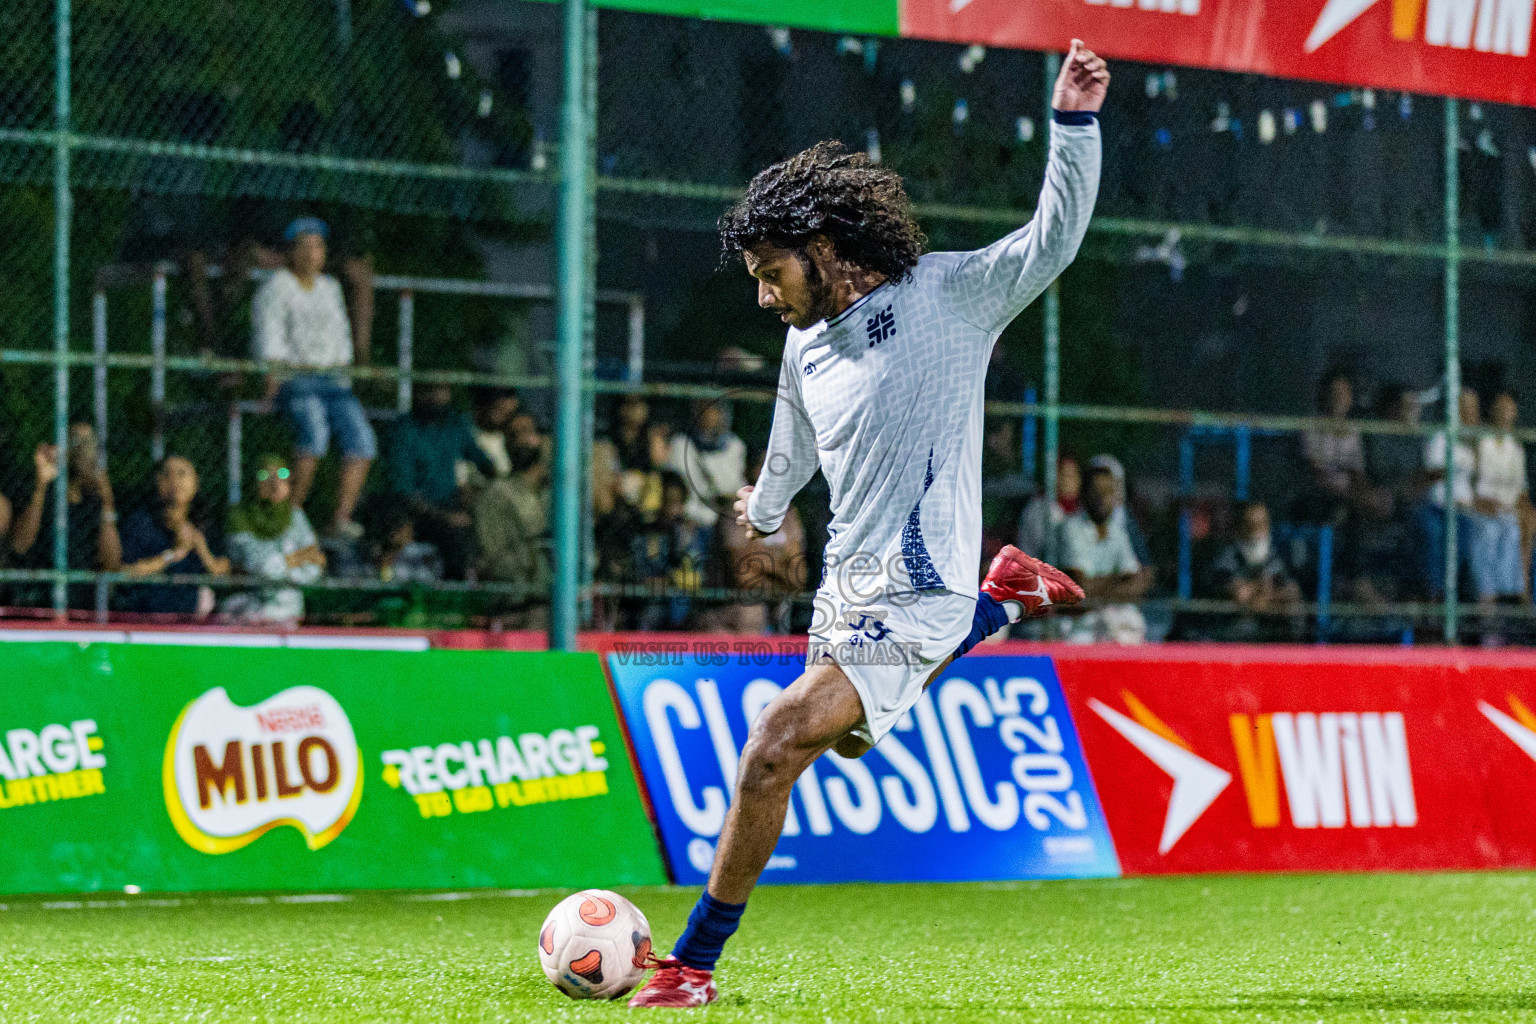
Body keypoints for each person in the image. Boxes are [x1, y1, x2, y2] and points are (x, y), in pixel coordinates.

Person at [626, 40, 1106, 1008]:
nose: (764, 297)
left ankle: (691, 963)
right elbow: (795, 438)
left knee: (774, 742)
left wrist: (1073, 126)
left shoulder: (952, 296)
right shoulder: (806, 345)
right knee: (834, 744)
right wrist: (764, 507)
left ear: (823, 248)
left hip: (919, 588)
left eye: (771, 273)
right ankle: (1003, 598)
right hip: (846, 588)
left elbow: (1052, 239)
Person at [252, 217, 376, 539]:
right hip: (295, 380)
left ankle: (340, 520)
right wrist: (272, 380)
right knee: (315, 433)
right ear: (290, 251)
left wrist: (345, 373)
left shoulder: (329, 288)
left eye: (318, 246)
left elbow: (341, 337)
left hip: (333, 382)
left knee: (362, 440)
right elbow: (270, 337)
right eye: (304, 247)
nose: (311, 254)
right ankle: (290, 515)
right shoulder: (276, 286)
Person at [386, 383, 498, 580]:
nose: (437, 397)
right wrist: (445, 517)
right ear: (418, 393)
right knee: (456, 535)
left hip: (451, 504)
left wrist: (495, 485)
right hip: (420, 512)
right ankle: (454, 587)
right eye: (430, 390)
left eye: (443, 390)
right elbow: (404, 494)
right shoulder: (404, 430)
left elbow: (482, 461)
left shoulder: (455, 424)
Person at [9, 423, 122, 608]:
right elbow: (20, 545)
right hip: (38, 599)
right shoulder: (44, 492)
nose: (83, 450)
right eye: (76, 441)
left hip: (83, 602)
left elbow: (112, 564)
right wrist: (40, 485)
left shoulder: (94, 502)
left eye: (90, 444)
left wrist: (107, 500)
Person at [118, 455, 229, 617]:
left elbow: (222, 572)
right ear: (157, 482)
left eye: (182, 473)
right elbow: (126, 571)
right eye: (166, 475)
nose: (174, 481)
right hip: (146, 613)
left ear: (196, 482)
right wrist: (173, 554)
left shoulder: (206, 523)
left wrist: (201, 548)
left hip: (193, 616)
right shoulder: (140, 523)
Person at [1056, 463, 1153, 644]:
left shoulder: (1118, 531)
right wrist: (1118, 582)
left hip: (1114, 620)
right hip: (1077, 626)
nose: (1102, 498)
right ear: (1084, 494)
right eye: (1096, 491)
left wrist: (1096, 588)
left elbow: (1136, 586)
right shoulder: (1071, 528)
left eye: (1108, 491)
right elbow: (1080, 589)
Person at [222, 455, 326, 623]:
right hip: (251, 601)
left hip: (291, 604)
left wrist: (282, 566)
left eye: (283, 474)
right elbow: (259, 565)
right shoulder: (239, 517)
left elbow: (316, 564)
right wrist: (296, 559)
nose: (275, 483)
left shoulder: (296, 516)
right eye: (265, 476)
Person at [474, 439, 551, 628]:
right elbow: (491, 548)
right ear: (538, 466)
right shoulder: (499, 494)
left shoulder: (544, 494)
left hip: (539, 594)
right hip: (511, 595)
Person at [1208, 501, 1302, 641]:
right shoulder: (1227, 556)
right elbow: (1239, 594)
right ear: (1239, 527)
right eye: (1251, 524)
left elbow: (1291, 592)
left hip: (1274, 637)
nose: (1257, 530)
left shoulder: (1276, 557)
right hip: (1233, 639)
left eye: (1263, 523)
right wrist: (1263, 589)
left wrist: (1262, 596)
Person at [1422, 387, 1478, 599]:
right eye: (1466, 408)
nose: (1471, 413)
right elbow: (1432, 473)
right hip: (1441, 508)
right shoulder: (1440, 438)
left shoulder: (1473, 443)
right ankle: (1437, 597)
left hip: (1468, 510)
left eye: (1474, 408)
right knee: (1438, 535)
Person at [1471, 388, 1525, 604]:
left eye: (1509, 409)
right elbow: (1473, 483)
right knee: (1488, 533)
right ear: (1492, 411)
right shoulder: (1482, 442)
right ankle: (1487, 597)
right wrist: (1482, 503)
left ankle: (1509, 597)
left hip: (1507, 511)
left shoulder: (1516, 448)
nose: (1504, 413)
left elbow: (1520, 490)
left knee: (1512, 531)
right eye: (1500, 408)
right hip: (1481, 507)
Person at [1296, 370, 1365, 524]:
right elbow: (1315, 472)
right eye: (1335, 392)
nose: (1340, 398)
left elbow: (1357, 471)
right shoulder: (1310, 426)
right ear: (1325, 395)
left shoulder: (1353, 429)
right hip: (1319, 495)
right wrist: (1351, 496)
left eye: (1345, 393)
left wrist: (1363, 492)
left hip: (1350, 494)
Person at [668, 399, 747, 530]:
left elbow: (736, 487)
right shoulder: (680, 444)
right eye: (704, 407)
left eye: (715, 409)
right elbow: (678, 488)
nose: (709, 413)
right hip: (689, 520)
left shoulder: (735, 445)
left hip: (725, 522)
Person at [1017, 455, 1081, 558]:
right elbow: (1046, 551)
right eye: (1066, 475)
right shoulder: (1039, 508)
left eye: (1075, 475)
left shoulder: (1079, 509)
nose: (1073, 481)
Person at [458, 386, 520, 489]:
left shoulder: (504, 437)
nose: (503, 417)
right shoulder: (463, 431)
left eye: (508, 414)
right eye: (499, 410)